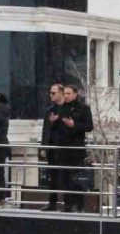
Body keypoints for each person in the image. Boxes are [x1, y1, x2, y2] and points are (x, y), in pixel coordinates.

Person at [40, 83, 93, 212]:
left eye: (69, 94)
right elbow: (55, 129)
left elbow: (89, 126)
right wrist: (53, 122)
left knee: (76, 179)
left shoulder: (84, 108)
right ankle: (67, 205)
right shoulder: (61, 108)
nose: (66, 96)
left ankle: (78, 205)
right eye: (65, 94)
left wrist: (74, 125)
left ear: (75, 94)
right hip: (62, 149)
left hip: (76, 149)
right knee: (64, 178)